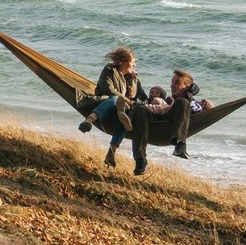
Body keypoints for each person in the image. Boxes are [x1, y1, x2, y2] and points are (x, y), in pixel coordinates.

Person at [79, 46, 149, 175]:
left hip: (123, 110)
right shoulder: (109, 70)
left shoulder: (134, 78)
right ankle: (89, 120)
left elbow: (143, 96)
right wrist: (126, 100)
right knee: (115, 99)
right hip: (106, 104)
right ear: (122, 62)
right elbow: (108, 90)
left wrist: (158, 100)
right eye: (133, 61)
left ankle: (111, 151)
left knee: (125, 117)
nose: (134, 64)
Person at [165, 68, 212, 160]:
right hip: (164, 124)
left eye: (177, 83)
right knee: (182, 102)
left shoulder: (191, 101)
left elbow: (205, 109)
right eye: (172, 82)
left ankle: (180, 147)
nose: (172, 85)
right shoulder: (169, 100)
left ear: (187, 87)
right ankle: (180, 146)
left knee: (183, 102)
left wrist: (191, 93)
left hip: (180, 123)